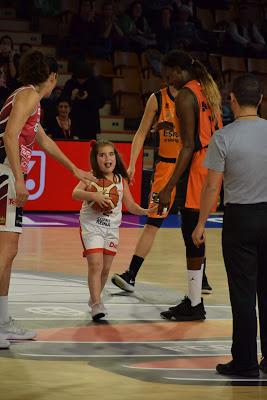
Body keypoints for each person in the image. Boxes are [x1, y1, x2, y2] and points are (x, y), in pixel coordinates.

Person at [0, 50, 94, 350]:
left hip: (7, 177)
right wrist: (18, 177)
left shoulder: (30, 101)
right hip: (4, 177)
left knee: (9, 253)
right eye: (56, 78)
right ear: (51, 77)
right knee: (3, 253)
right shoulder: (28, 95)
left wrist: (74, 168)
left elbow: (44, 141)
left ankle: (2, 321)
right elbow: (9, 136)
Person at [192, 73, 267, 377]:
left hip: (240, 220)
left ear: (232, 99)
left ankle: (246, 362)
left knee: (243, 293)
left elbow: (211, 188)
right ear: (260, 101)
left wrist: (199, 224)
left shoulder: (223, 137)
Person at [111, 76, 213, 297]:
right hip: (165, 169)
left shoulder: (196, 97)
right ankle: (131, 274)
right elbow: (140, 133)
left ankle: (202, 277)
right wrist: (132, 165)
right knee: (152, 222)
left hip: (190, 170)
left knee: (193, 224)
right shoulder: (157, 99)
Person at [157, 50, 222, 321]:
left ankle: (195, 304)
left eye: (168, 73)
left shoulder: (185, 95)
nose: (167, 79)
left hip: (197, 169)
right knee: (197, 233)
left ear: (179, 69)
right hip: (213, 165)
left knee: (192, 236)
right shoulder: (206, 89)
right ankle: (194, 299)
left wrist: (169, 186)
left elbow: (187, 146)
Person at [72, 140, 153, 321]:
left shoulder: (120, 180)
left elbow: (130, 205)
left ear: (115, 157)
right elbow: (75, 193)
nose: (107, 158)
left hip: (112, 228)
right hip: (91, 225)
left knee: (106, 268)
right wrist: (93, 195)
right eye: (102, 155)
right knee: (96, 265)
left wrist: (146, 211)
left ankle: (94, 298)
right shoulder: (91, 176)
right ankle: (96, 304)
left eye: (110, 154)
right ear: (96, 159)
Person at [61, 61, 105, 140]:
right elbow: (62, 100)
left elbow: (101, 102)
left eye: (83, 79)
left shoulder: (95, 84)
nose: (81, 81)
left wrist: (88, 97)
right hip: (73, 120)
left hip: (90, 121)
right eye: (79, 78)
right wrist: (71, 97)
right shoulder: (70, 83)